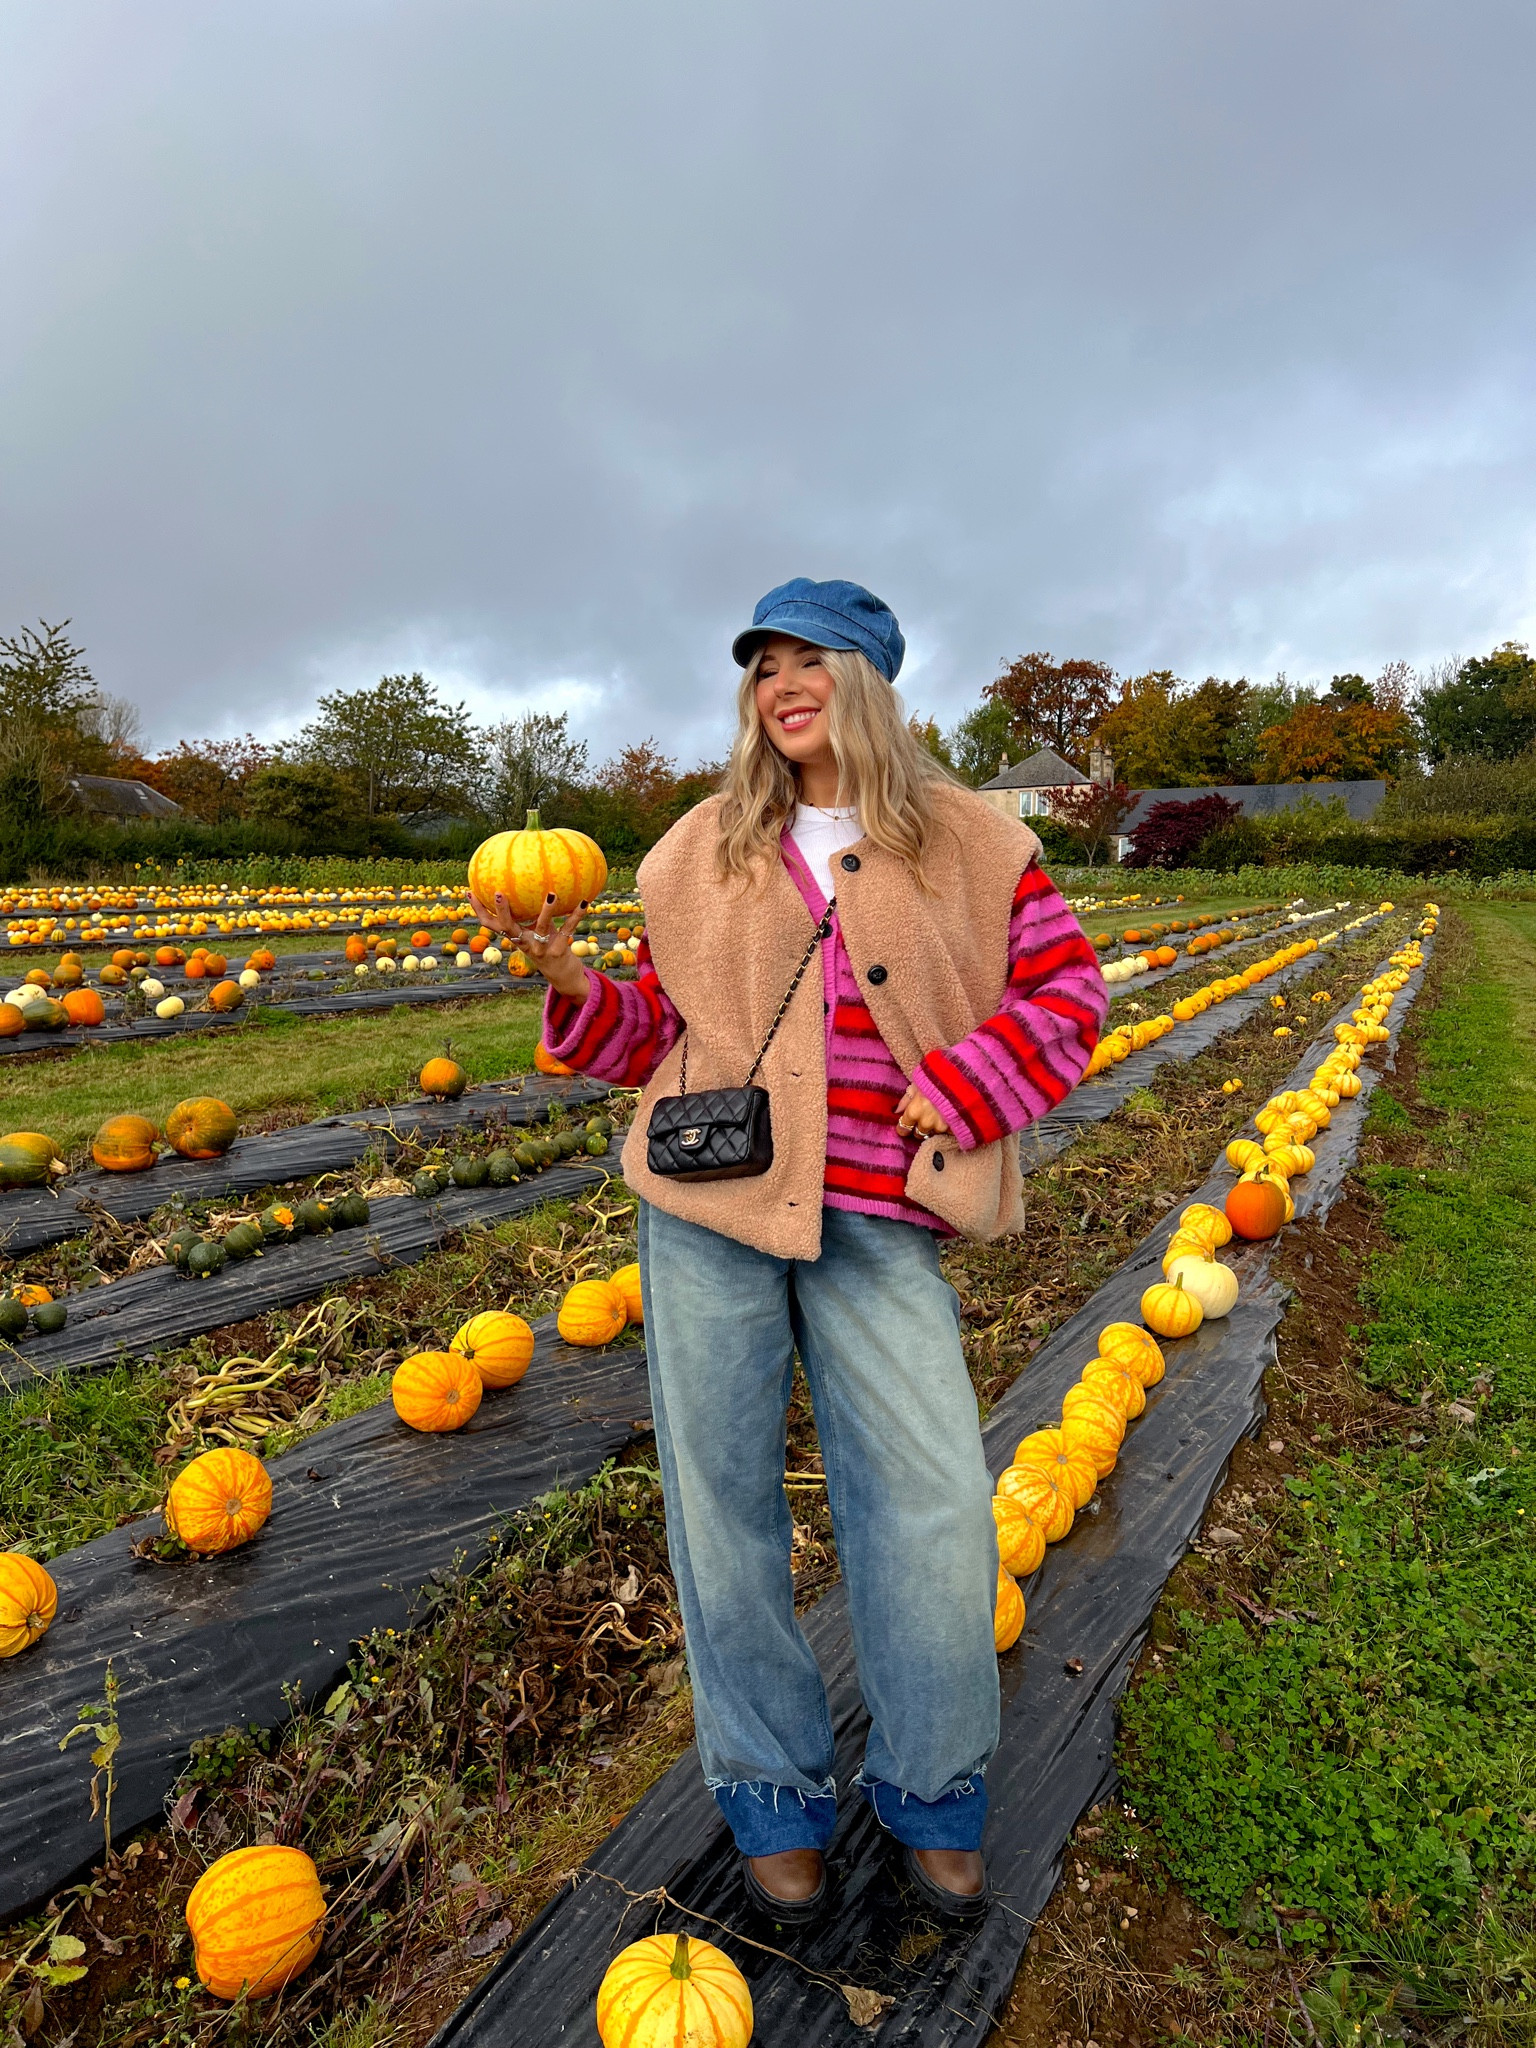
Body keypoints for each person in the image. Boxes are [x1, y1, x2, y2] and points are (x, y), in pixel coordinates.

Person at [502, 578, 1106, 1924]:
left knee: (934, 1511)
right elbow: (654, 1040)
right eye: (762, 663)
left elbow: (1071, 997)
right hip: (710, 1214)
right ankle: (771, 1793)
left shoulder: (972, 844)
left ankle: (934, 1785)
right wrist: (569, 988)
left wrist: (966, 1079)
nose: (781, 682)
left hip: (879, 1222)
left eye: (810, 659)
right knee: (722, 1512)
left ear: (872, 679)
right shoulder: (697, 849)